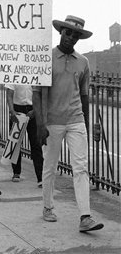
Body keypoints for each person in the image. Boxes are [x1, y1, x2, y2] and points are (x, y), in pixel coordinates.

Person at [33, 15, 104, 232]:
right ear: (60, 32)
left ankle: (85, 217)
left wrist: (88, 123)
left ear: (79, 38)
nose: (71, 37)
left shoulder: (83, 62)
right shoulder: (46, 58)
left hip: (75, 120)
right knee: (50, 167)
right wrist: (40, 124)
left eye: (76, 35)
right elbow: (37, 94)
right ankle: (47, 207)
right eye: (68, 32)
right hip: (52, 122)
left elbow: (84, 96)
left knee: (81, 168)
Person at [5, 84, 43, 186]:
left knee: (36, 144)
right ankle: (16, 172)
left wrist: (36, 110)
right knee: (15, 143)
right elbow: (9, 93)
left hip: (32, 107)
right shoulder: (15, 72)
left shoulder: (35, 73)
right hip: (17, 108)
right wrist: (12, 111)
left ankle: (40, 176)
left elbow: (41, 93)